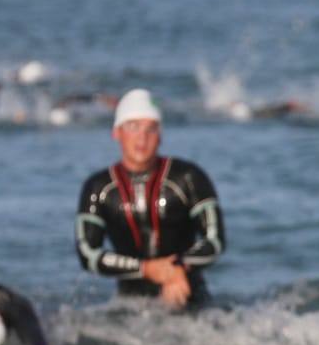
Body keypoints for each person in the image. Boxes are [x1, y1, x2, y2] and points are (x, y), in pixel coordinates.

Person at [75, 88, 226, 308]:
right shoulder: (99, 188)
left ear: (161, 135)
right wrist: (147, 269)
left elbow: (215, 240)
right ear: (116, 132)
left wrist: (177, 267)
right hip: (130, 307)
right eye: (133, 127)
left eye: (151, 129)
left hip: (190, 299)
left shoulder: (188, 178)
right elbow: (87, 254)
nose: (142, 138)